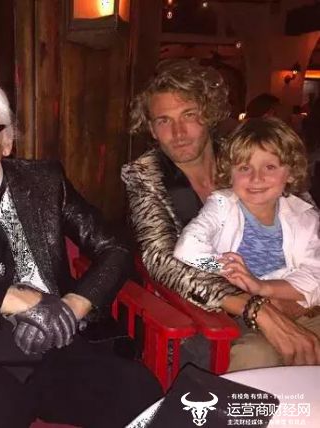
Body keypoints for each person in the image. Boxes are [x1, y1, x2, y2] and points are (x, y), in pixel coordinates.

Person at [0, 76, 162, 428]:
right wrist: (15, 300)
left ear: (6, 141)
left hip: (62, 350)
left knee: (141, 394)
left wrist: (74, 305)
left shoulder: (45, 182)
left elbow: (115, 247)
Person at [121, 58, 320, 371]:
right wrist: (254, 304)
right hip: (205, 309)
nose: (178, 132)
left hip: (291, 289)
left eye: (189, 115)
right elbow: (162, 260)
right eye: (163, 120)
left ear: (209, 114)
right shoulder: (146, 174)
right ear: (152, 129)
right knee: (260, 359)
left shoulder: (244, 152)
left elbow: (303, 216)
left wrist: (294, 297)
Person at [173, 117, 320, 370]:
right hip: (238, 314)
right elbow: (186, 249)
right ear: (229, 172)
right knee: (254, 356)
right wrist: (225, 269)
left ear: (290, 172)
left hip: (293, 305)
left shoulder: (305, 216)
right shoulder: (221, 205)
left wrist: (263, 287)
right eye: (244, 167)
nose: (256, 178)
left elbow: (314, 275)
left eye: (270, 167)